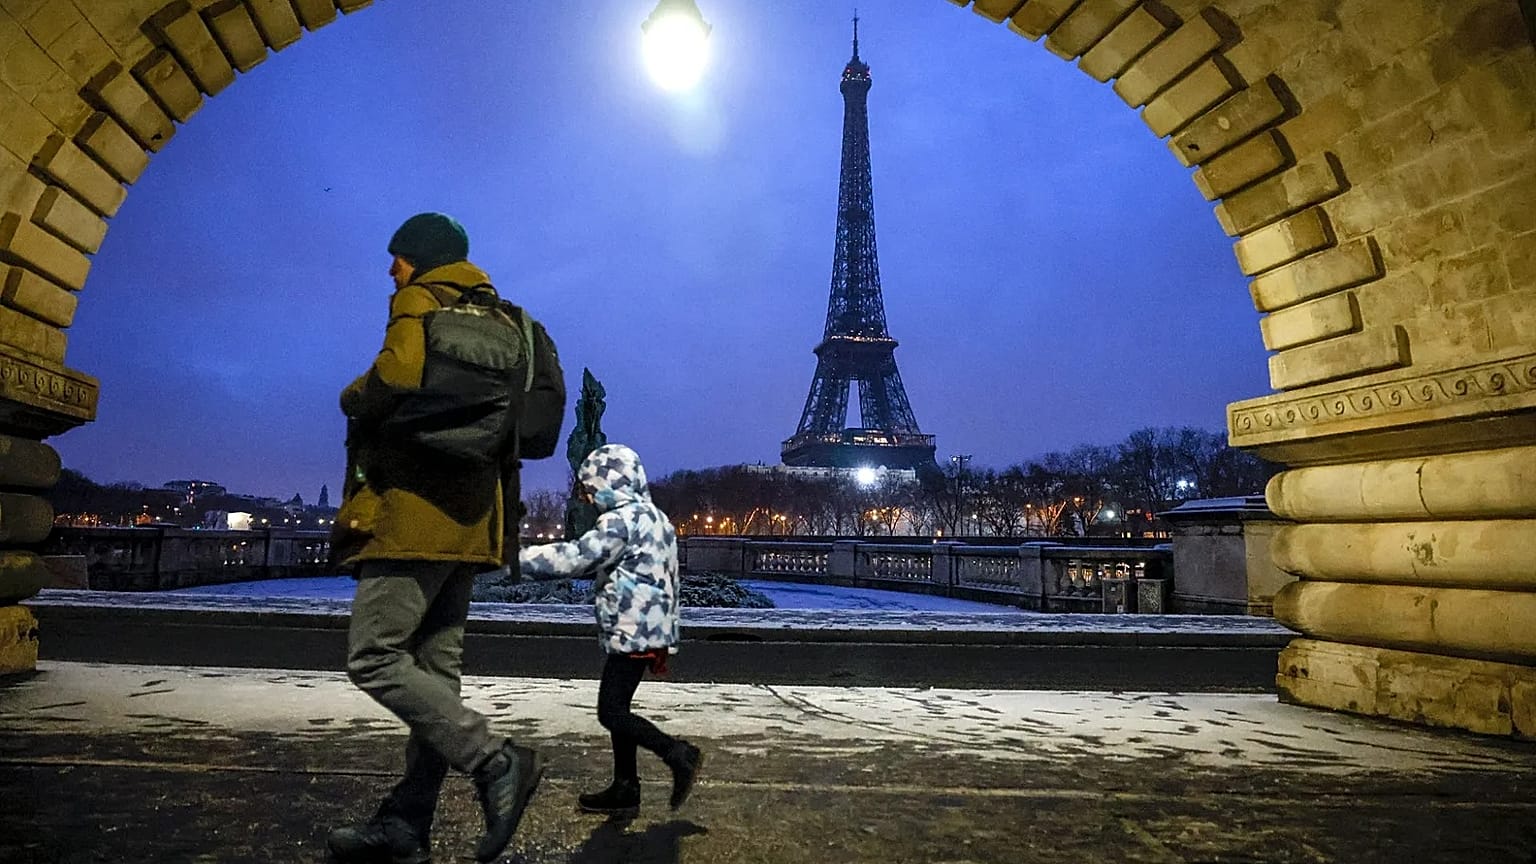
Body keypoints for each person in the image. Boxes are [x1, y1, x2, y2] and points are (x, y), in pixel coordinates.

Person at [327, 212, 566, 864]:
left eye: (397, 257)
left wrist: (353, 395)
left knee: (374, 656)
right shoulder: (513, 320)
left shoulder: (417, 300)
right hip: (477, 520)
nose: (391, 268)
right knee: (436, 673)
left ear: (422, 260)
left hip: (411, 509)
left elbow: (398, 377)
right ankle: (406, 824)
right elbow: (535, 425)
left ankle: (496, 760)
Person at [519, 443, 704, 818]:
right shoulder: (657, 518)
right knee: (620, 707)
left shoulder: (621, 521)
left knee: (610, 712)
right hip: (650, 628)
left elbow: (577, 558)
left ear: (607, 483)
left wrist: (515, 558)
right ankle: (625, 786)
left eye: (589, 488)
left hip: (633, 630)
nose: (586, 497)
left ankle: (677, 753)